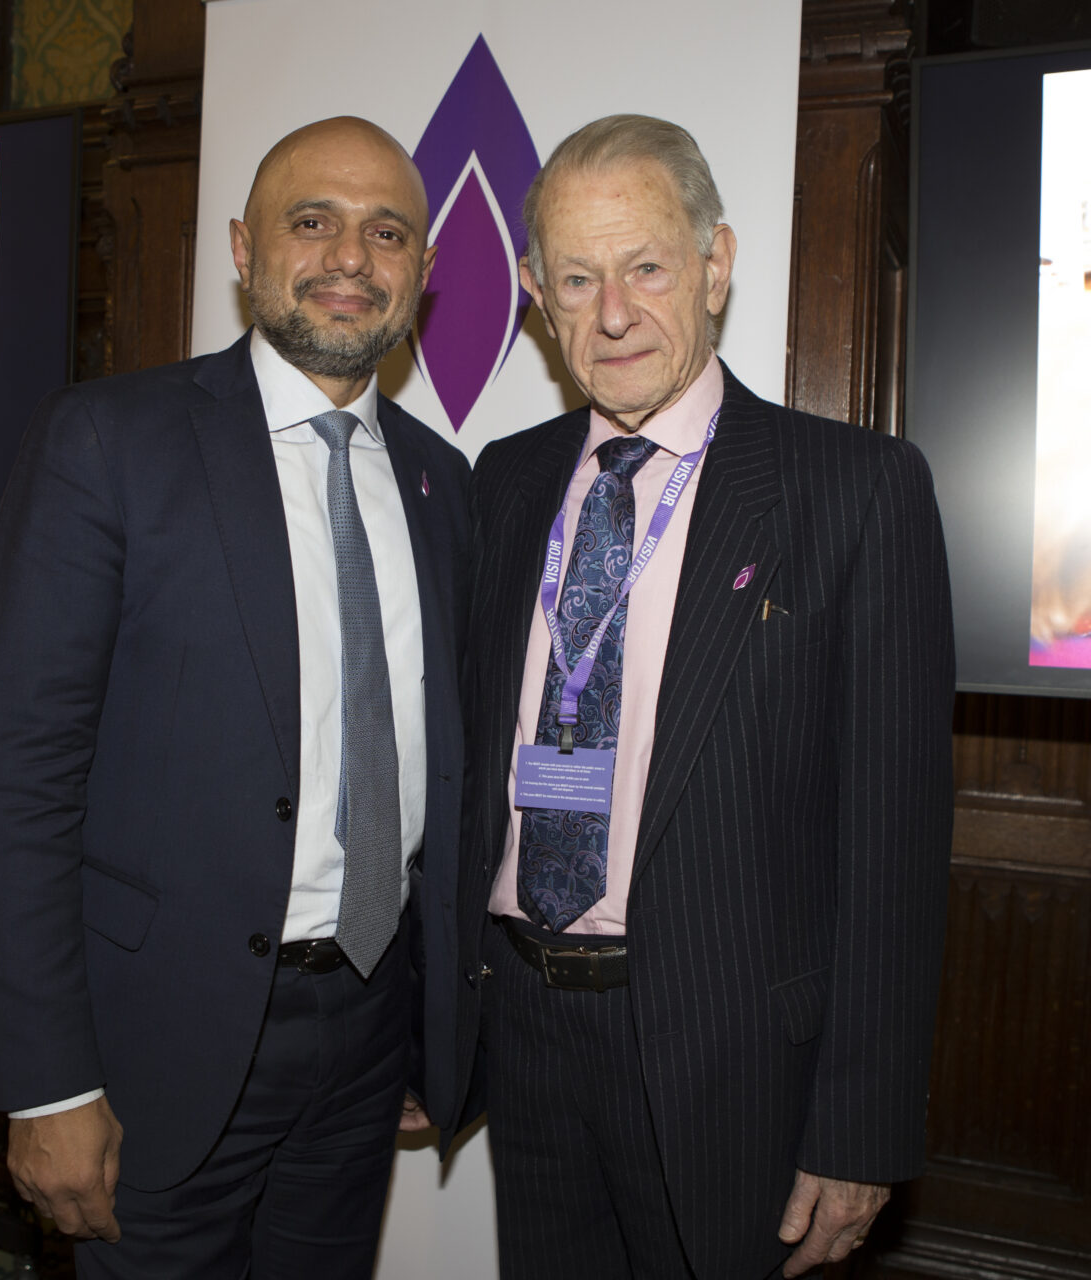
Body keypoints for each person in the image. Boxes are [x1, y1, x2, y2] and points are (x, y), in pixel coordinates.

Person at [446, 115, 955, 1280]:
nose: (611, 311)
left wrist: (859, 1125)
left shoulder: (854, 492)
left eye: (646, 266)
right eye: (576, 277)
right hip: (523, 1031)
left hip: (732, 1059)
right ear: (534, 293)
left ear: (715, 264)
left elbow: (893, 843)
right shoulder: (505, 481)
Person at [0, 116, 470, 1279]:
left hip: (364, 1034)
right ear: (242, 249)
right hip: (156, 1047)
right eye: (312, 221)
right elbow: (18, 782)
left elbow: (444, 772)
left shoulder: (447, 485)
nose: (351, 255)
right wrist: (48, 1077)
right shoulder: (108, 441)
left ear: (424, 272)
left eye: (386, 231)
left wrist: (429, 1035)